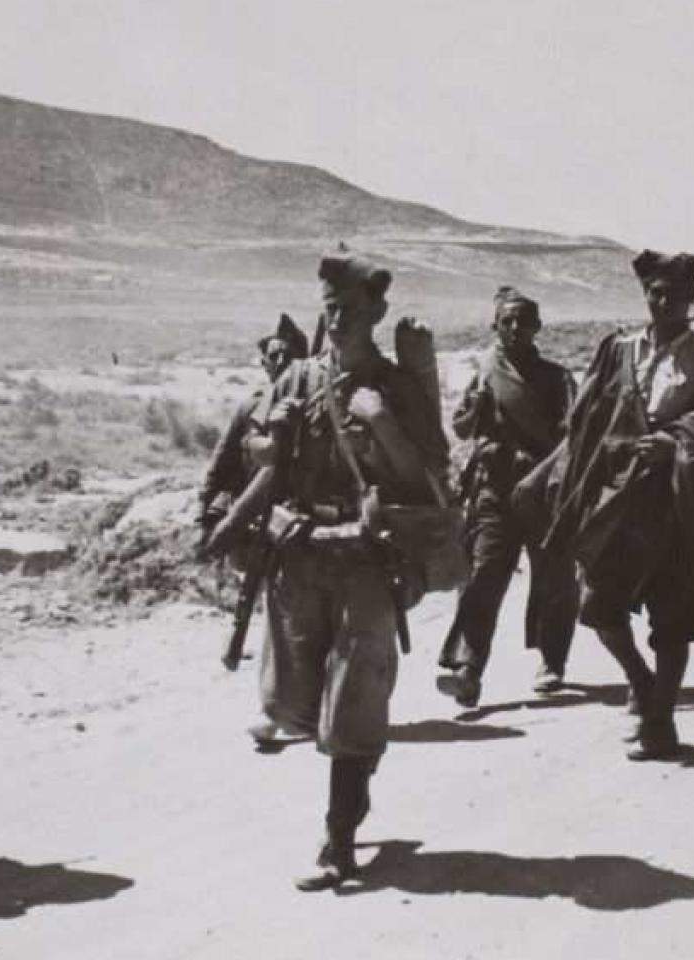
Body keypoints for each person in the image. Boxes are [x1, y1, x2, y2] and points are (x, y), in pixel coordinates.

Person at [248, 255, 449, 890]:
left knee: (355, 695)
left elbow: (427, 477)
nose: (338, 322)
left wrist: (382, 421)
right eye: (331, 310)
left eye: (351, 312)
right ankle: (356, 783)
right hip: (303, 554)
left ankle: (338, 840)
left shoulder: (396, 388)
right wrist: (272, 439)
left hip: (368, 558)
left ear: (377, 314)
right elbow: (253, 449)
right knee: (298, 700)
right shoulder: (298, 377)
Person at [532, 250, 694, 761]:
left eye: (675, 295)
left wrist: (678, 441)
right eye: (656, 293)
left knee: (673, 615)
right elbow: (584, 419)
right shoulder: (618, 350)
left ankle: (660, 721)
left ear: (690, 298)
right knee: (598, 605)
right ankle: (642, 681)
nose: (664, 302)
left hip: (678, 501)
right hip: (618, 498)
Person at [436, 287, 579, 706]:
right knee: (482, 576)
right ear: (495, 326)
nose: (515, 328)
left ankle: (552, 660)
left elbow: (573, 436)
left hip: (543, 493)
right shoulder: (484, 373)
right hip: (494, 492)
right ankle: (468, 669)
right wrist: (477, 407)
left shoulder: (556, 378)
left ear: (538, 326)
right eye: (507, 321)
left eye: (524, 321)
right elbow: (461, 428)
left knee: (554, 578)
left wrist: (541, 473)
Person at [197, 313, 309, 534]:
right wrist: (204, 514)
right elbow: (221, 464)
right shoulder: (251, 407)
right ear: (264, 365)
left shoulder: (316, 405)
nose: (281, 362)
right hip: (251, 511)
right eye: (274, 356)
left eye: (289, 355)